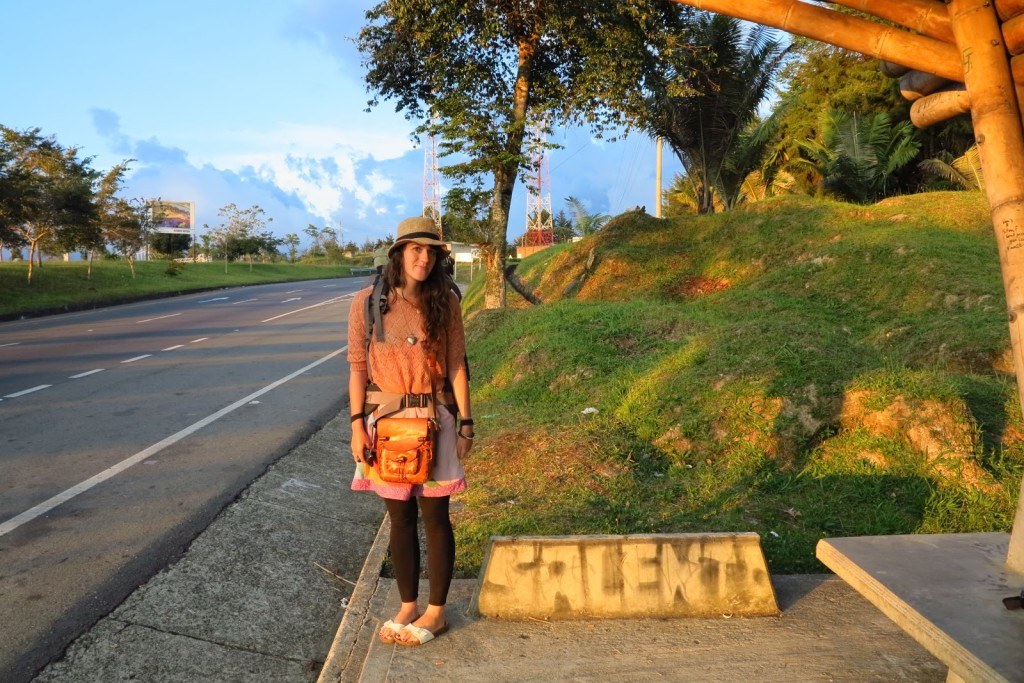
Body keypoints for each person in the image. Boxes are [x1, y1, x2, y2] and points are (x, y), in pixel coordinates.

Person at [347, 216, 474, 647]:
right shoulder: (368, 303)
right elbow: (357, 368)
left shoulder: (446, 302)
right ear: (399, 253)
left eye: (431, 251)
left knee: (436, 519)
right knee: (399, 519)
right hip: (385, 427)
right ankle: (407, 604)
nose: (423, 258)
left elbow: (457, 365)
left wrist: (467, 424)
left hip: (436, 421)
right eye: (415, 249)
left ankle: (436, 612)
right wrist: (354, 427)